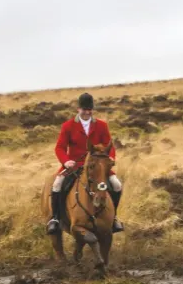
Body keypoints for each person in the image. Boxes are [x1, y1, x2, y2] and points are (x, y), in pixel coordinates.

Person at [46, 92, 125, 235]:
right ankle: (56, 219)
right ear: (78, 109)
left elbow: (109, 146)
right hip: (74, 165)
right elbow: (59, 148)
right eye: (84, 109)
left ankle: (113, 218)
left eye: (89, 109)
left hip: (97, 166)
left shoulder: (101, 125)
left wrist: (111, 158)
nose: (87, 112)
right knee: (57, 184)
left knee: (117, 185)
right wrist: (66, 161)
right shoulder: (68, 126)